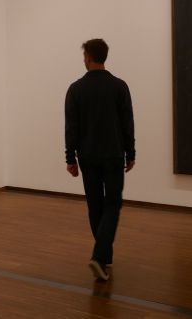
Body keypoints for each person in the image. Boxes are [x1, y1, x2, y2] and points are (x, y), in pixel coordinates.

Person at [64, 38, 136, 281]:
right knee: (113, 204)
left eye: (84, 56)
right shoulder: (119, 87)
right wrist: (131, 153)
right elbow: (127, 124)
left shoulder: (75, 89)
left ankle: (103, 257)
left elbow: (71, 128)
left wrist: (70, 158)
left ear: (88, 57)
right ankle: (100, 256)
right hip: (113, 156)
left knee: (95, 205)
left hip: (87, 157)